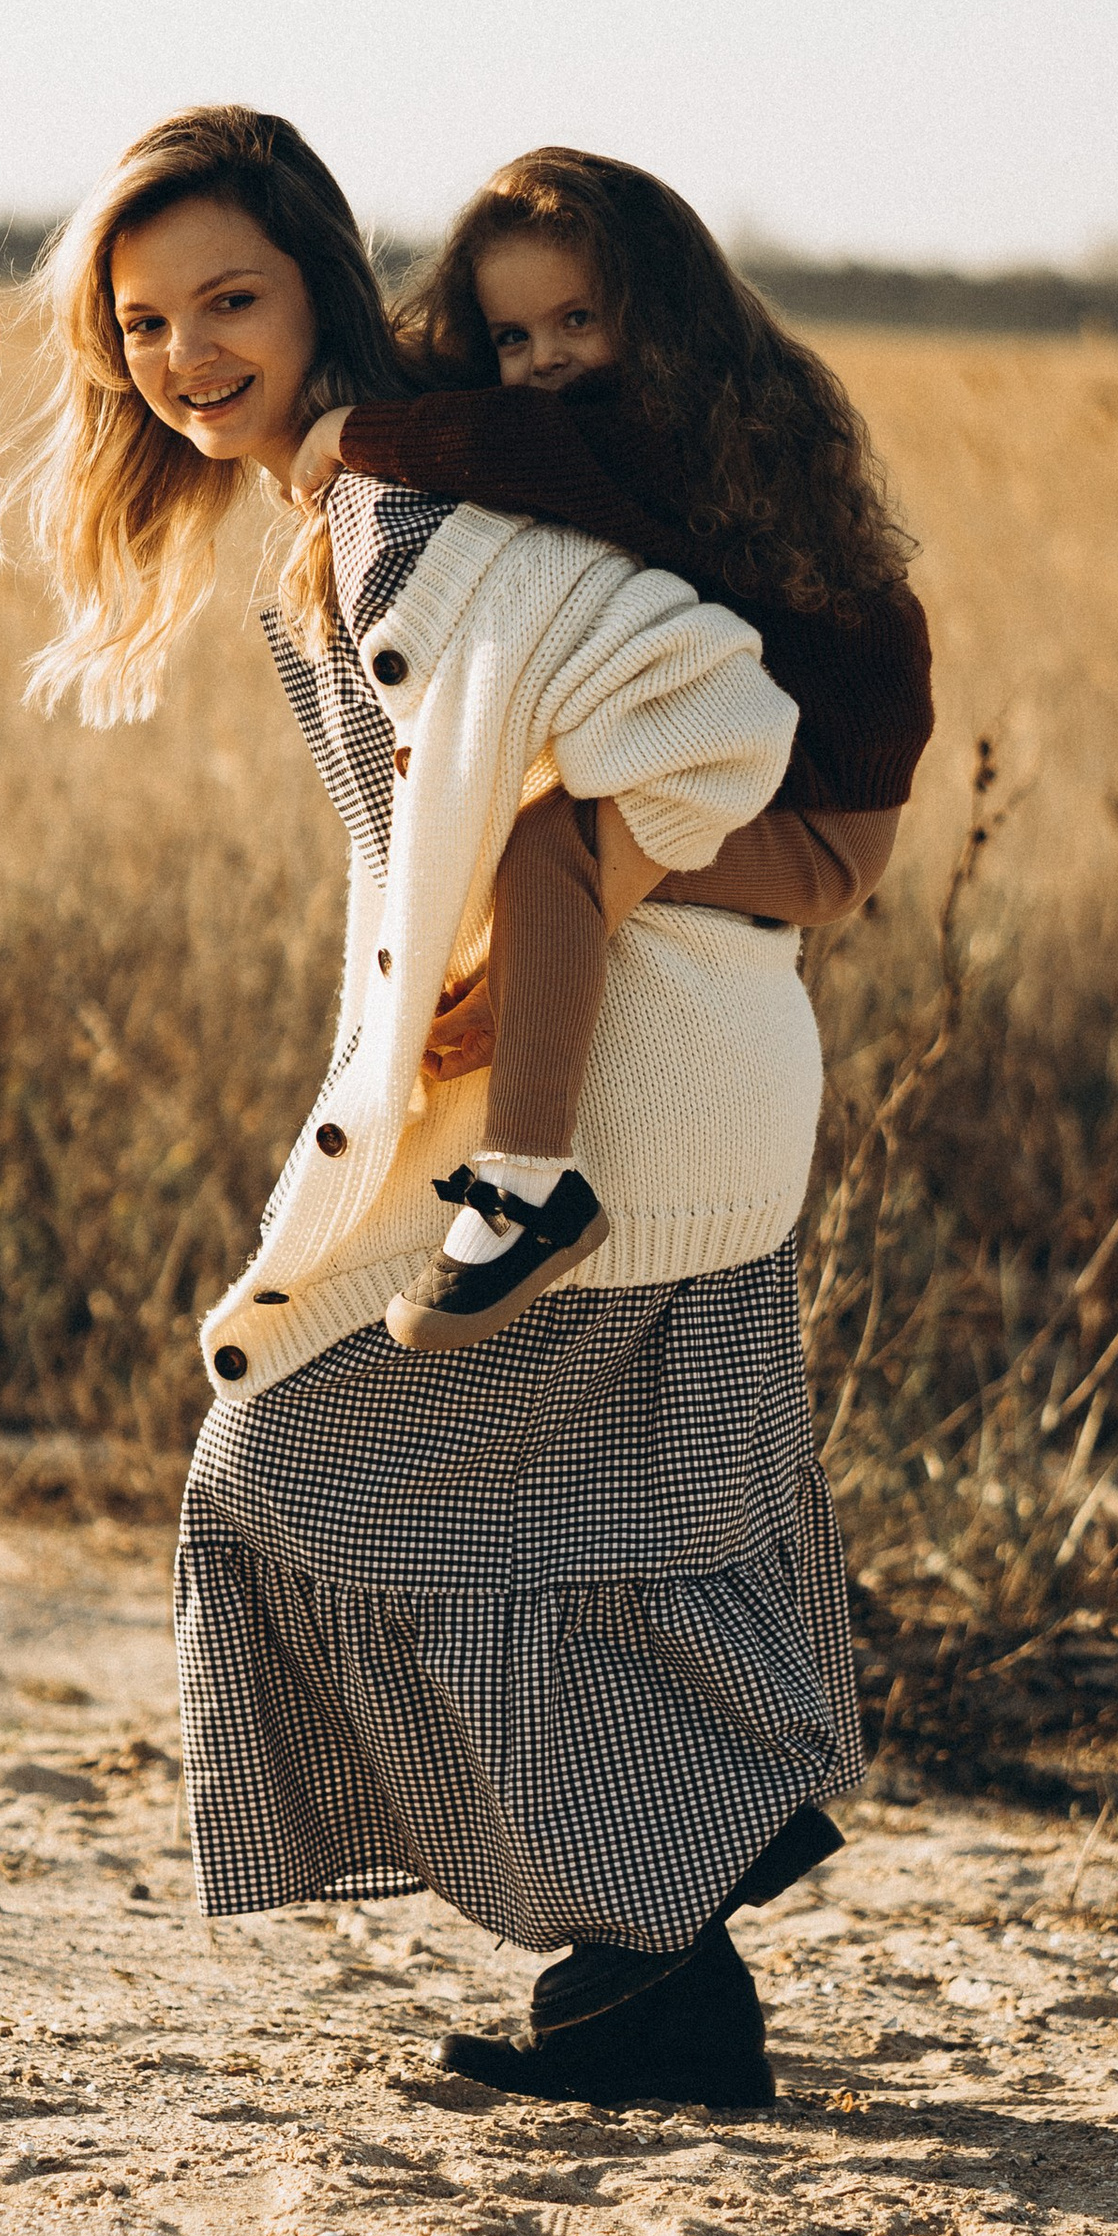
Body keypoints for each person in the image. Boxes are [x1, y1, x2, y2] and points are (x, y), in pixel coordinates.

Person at [0, 104, 865, 2109]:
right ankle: (657, 1964)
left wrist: (595, 887)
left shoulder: (400, 512)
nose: (188, 352)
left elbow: (713, 716)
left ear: (318, 286)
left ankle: (682, 1884)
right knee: (588, 1515)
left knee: (281, 1469)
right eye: (143, 324)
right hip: (616, 1093)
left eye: (231, 298)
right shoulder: (342, 512)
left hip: (622, 1108)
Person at [290, 147, 933, 1351]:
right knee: (537, 853)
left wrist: (353, 430)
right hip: (750, 772)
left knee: (554, 850)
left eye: (578, 319)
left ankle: (532, 1186)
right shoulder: (690, 423)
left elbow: (528, 455)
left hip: (821, 822)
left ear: (658, 317)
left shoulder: (667, 435)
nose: (545, 361)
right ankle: (499, 1028)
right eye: (512, 337)